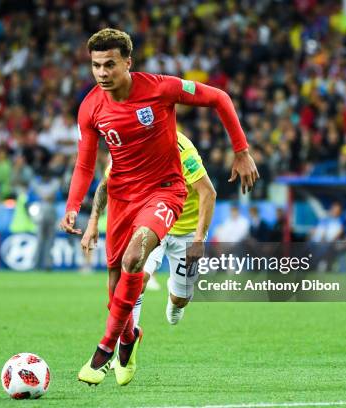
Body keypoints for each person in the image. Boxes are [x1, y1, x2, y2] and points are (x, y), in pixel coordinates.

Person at [59, 28, 258, 386]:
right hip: (122, 196)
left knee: (133, 258)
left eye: (110, 64)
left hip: (165, 191)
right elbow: (86, 165)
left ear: (128, 63)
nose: (102, 73)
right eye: (95, 66)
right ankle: (129, 336)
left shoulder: (161, 88)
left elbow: (220, 98)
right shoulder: (90, 107)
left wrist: (241, 150)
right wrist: (75, 206)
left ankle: (104, 349)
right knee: (116, 278)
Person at [82, 132, 217, 327]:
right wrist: (93, 221)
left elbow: (208, 192)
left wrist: (198, 240)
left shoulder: (182, 149)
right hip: (155, 221)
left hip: (188, 230)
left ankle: (176, 296)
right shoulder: (130, 146)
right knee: (137, 276)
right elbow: (106, 184)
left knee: (180, 299)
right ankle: (129, 339)